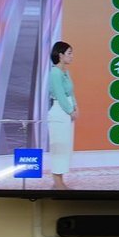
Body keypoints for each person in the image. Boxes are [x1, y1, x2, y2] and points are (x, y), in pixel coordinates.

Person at [47, 41, 78, 189]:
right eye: (69, 53)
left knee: (65, 148)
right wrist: (71, 111)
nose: (72, 56)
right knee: (58, 149)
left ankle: (60, 181)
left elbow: (70, 92)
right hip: (59, 113)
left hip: (67, 112)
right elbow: (60, 95)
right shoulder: (55, 73)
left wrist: (75, 107)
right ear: (60, 55)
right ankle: (57, 183)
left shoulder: (66, 72)